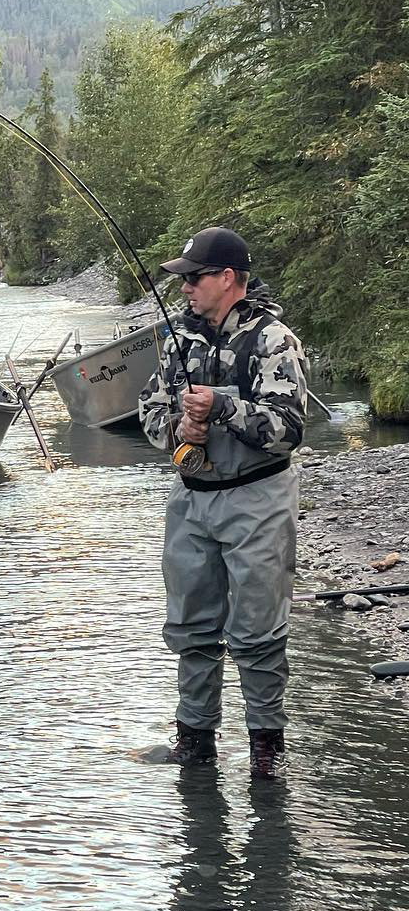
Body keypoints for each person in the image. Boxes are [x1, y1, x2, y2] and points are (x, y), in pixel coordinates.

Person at [138, 228, 308, 781]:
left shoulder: (272, 340)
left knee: (257, 633)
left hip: (258, 498)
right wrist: (178, 426)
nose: (185, 287)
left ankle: (266, 751)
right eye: (183, 279)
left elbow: (288, 429)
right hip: (191, 499)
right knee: (191, 627)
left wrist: (221, 409)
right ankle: (195, 743)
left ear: (227, 278)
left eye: (194, 277)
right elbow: (151, 412)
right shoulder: (177, 341)